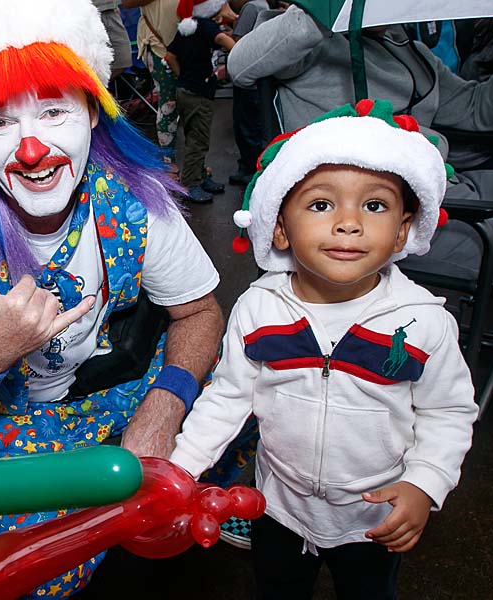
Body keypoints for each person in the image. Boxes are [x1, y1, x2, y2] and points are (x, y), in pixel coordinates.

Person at [0, 0, 257, 595]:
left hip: (125, 383)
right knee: (39, 572)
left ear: (92, 110)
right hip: (23, 421)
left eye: (53, 110)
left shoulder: (130, 194)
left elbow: (199, 310)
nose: (31, 150)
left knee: (251, 391)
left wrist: (164, 407)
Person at [167, 100, 478, 599]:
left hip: (373, 517)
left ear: (402, 228)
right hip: (278, 508)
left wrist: (425, 484)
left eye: (374, 205)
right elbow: (227, 396)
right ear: (280, 226)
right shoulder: (260, 308)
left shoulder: (423, 322)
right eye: (320, 204)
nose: (348, 223)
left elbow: (448, 411)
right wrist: (182, 468)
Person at [226, 4, 493, 199]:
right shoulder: (307, 44)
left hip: (437, 183)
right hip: (371, 206)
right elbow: (240, 65)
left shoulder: (413, 52)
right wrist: (323, 12)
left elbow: (473, 108)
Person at [165, 0, 235, 202]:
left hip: (185, 90)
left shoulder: (186, 28)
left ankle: (200, 176)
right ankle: (191, 184)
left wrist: (183, 77)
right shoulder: (208, 26)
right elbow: (222, 39)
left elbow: (170, 56)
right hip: (200, 94)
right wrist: (239, 49)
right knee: (199, 141)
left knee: (192, 135)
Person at [121, 0, 182, 174]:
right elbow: (128, 3)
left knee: (194, 103)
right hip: (159, 45)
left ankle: (196, 166)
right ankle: (168, 162)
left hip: (190, 42)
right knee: (168, 104)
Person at [227, 0, 268, 186]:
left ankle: (249, 171)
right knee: (256, 127)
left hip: (246, 78)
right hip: (259, 77)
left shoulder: (251, 7)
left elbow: (238, 42)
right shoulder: (264, 4)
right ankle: (251, 168)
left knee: (246, 128)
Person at [94, 0, 134, 82]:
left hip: (110, 9)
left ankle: (96, 89)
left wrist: (114, 5)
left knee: (123, 59)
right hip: (87, 12)